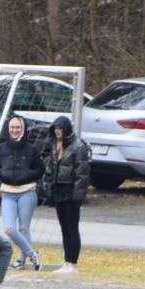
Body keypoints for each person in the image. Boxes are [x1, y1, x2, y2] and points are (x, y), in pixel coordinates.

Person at [0, 114, 45, 270]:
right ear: (8, 129)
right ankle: (32, 254)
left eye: (18, 127)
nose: (15, 130)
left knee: (24, 228)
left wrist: (26, 175)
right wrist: (2, 173)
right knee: (9, 228)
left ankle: (21, 261)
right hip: (8, 193)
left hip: (27, 192)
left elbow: (40, 170)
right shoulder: (1, 148)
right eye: (12, 127)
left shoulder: (32, 149)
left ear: (23, 129)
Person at [39, 114, 90, 274]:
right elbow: (50, 168)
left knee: (72, 228)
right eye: (55, 129)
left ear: (66, 129)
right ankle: (67, 261)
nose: (57, 131)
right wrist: (48, 189)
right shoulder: (55, 145)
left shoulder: (78, 146)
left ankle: (73, 262)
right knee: (64, 228)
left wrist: (77, 195)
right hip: (59, 190)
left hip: (70, 191)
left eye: (59, 128)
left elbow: (82, 173)